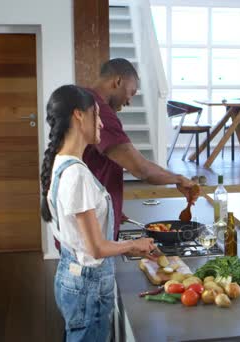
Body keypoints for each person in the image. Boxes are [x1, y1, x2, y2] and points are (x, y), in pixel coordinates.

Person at [40, 85, 157, 341]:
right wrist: (133, 244)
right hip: (88, 285)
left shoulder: (61, 162)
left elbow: (74, 222)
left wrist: (104, 215)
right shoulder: (77, 174)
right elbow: (96, 249)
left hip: (71, 276)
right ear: (79, 115)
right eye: (97, 115)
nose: (102, 124)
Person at [82, 58, 197, 240]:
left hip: (88, 220)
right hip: (92, 231)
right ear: (117, 81)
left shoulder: (83, 100)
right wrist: (178, 179)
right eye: (131, 92)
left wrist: (114, 209)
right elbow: (141, 169)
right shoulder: (99, 112)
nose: (129, 101)